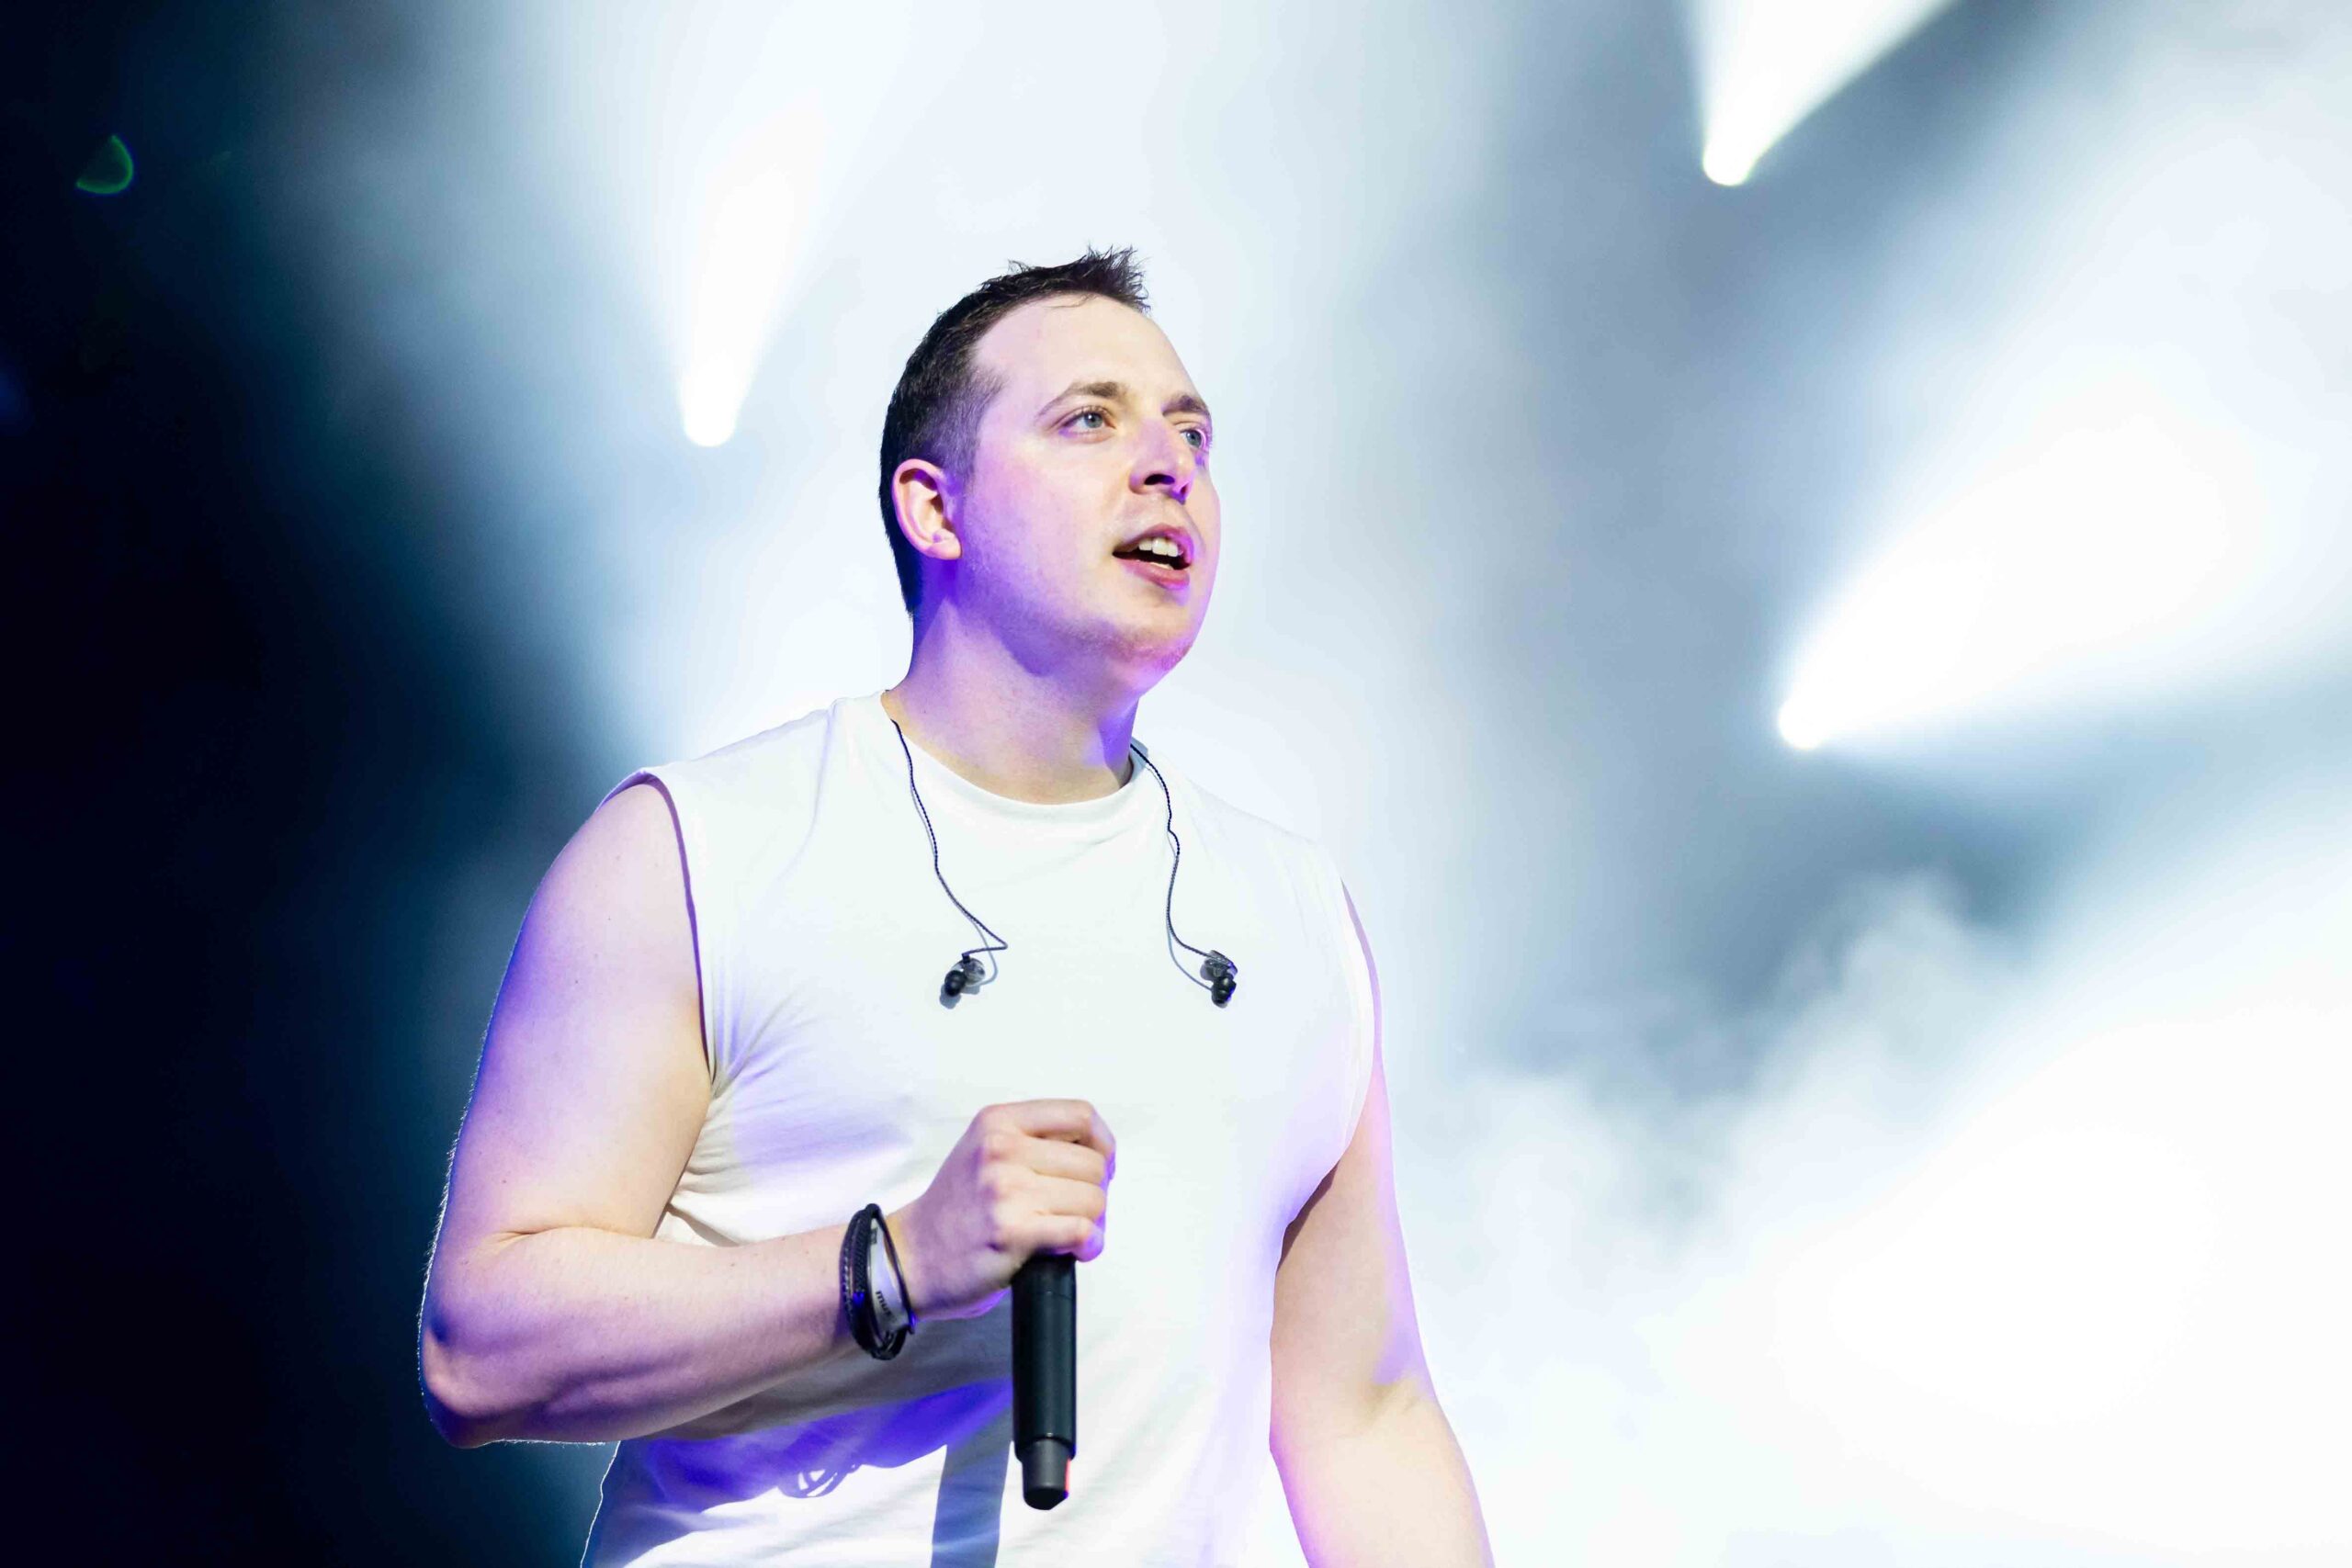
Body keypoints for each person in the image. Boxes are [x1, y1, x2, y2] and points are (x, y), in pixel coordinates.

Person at [418, 248, 1493, 1565]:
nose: (1168, 466)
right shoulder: (700, 849)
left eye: (1193, 435)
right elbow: (480, 1349)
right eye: (1089, 420)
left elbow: (1365, 1417)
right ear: (936, 508)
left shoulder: (1294, 915)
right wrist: (891, 1263)